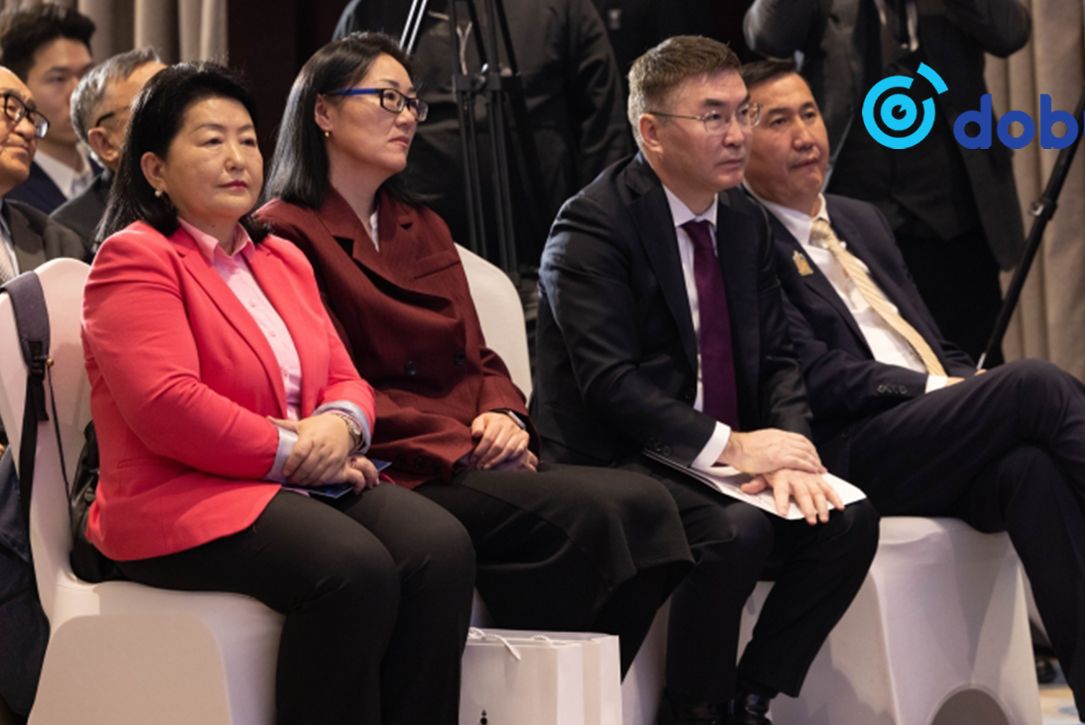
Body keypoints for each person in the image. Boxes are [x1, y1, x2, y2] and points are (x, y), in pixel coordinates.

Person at [740, 59, 1085, 725]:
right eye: (777, 121)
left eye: (808, 113)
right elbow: (815, 376)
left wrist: (964, 381)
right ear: (740, 140)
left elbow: (926, 338)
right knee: (1036, 383)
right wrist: (940, 388)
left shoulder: (860, 219)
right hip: (853, 447)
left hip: (929, 430)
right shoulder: (745, 239)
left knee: (1034, 472)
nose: (804, 134)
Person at [257, 32, 692, 676]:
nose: (408, 116)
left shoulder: (421, 223)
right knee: (607, 513)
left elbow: (478, 354)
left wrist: (505, 416)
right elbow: (332, 384)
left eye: (413, 102)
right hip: (397, 461)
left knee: (652, 507)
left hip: (469, 448)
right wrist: (463, 441)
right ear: (322, 110)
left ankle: (561, 700)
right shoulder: (284, 231)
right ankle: (533, 696)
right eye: (387, 98)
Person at [83, 62, 475, 725]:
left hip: (293, 482)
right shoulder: (135, 257)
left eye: (247, 139)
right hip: (179, 496)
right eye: (211, 140)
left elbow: (345, 376)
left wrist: (341, 427)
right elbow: (168, 406)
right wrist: (296, 453)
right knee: (351, 567)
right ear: (154, 169)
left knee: (440, 546)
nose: (238, 157)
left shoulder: (280, 257)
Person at [535, 36, 879, 725]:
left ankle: (751, 697)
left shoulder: (744, 219)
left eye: (743, 113)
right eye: (713, 116)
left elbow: (778, 360)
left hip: (716, 456)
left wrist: (791, 452)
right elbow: (610, 385)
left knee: (846, 519)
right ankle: (692, 706)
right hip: (618, 453)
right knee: (735, 530)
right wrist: (736, 446)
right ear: (652, 132)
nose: (737, 134)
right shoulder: (594, 225)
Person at [744, 0, 1029, 362]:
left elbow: (1010, 32)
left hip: (957, 214)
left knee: (976, 365)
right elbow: (767, 37)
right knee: (870, 361)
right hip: (850, 215)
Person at [334, 0, 631, 270]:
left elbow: (604, 128)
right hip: (412, 262)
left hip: (542, 260)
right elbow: (340, 131)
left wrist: (594, 242)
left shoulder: (561, 7)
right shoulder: (370, 11)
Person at [0, 63, 88, 455]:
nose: (26, 130)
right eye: (9, 108)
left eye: (32, 117)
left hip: (45, 454)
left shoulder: (56, 241)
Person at [51, 47, 165, 248]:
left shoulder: (211, 198)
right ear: (105, 144)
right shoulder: (70, 234)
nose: (182, 118)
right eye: (154, 106)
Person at [0, 4, 101, 214]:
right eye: (58, 79)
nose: (79, 92)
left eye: (87, 75)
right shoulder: (9, 188)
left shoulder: (113, 179)